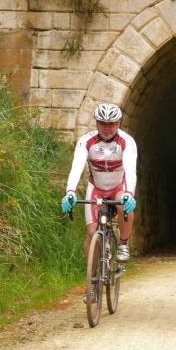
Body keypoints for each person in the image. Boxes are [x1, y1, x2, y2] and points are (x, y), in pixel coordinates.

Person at [61, 103, 137, 298]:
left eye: (111, 124)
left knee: (123, 203)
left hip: (118, 187)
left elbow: (130, 170)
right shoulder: (86, 141)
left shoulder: (126, 141)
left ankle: (122, 244)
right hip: (96, 189)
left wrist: (129, 192)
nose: (106, 128)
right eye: (102, 123)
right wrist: (70, 191)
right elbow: (76, 167)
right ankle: (92, 280)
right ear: (96, 122)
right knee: (91, 232)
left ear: (118, 123)